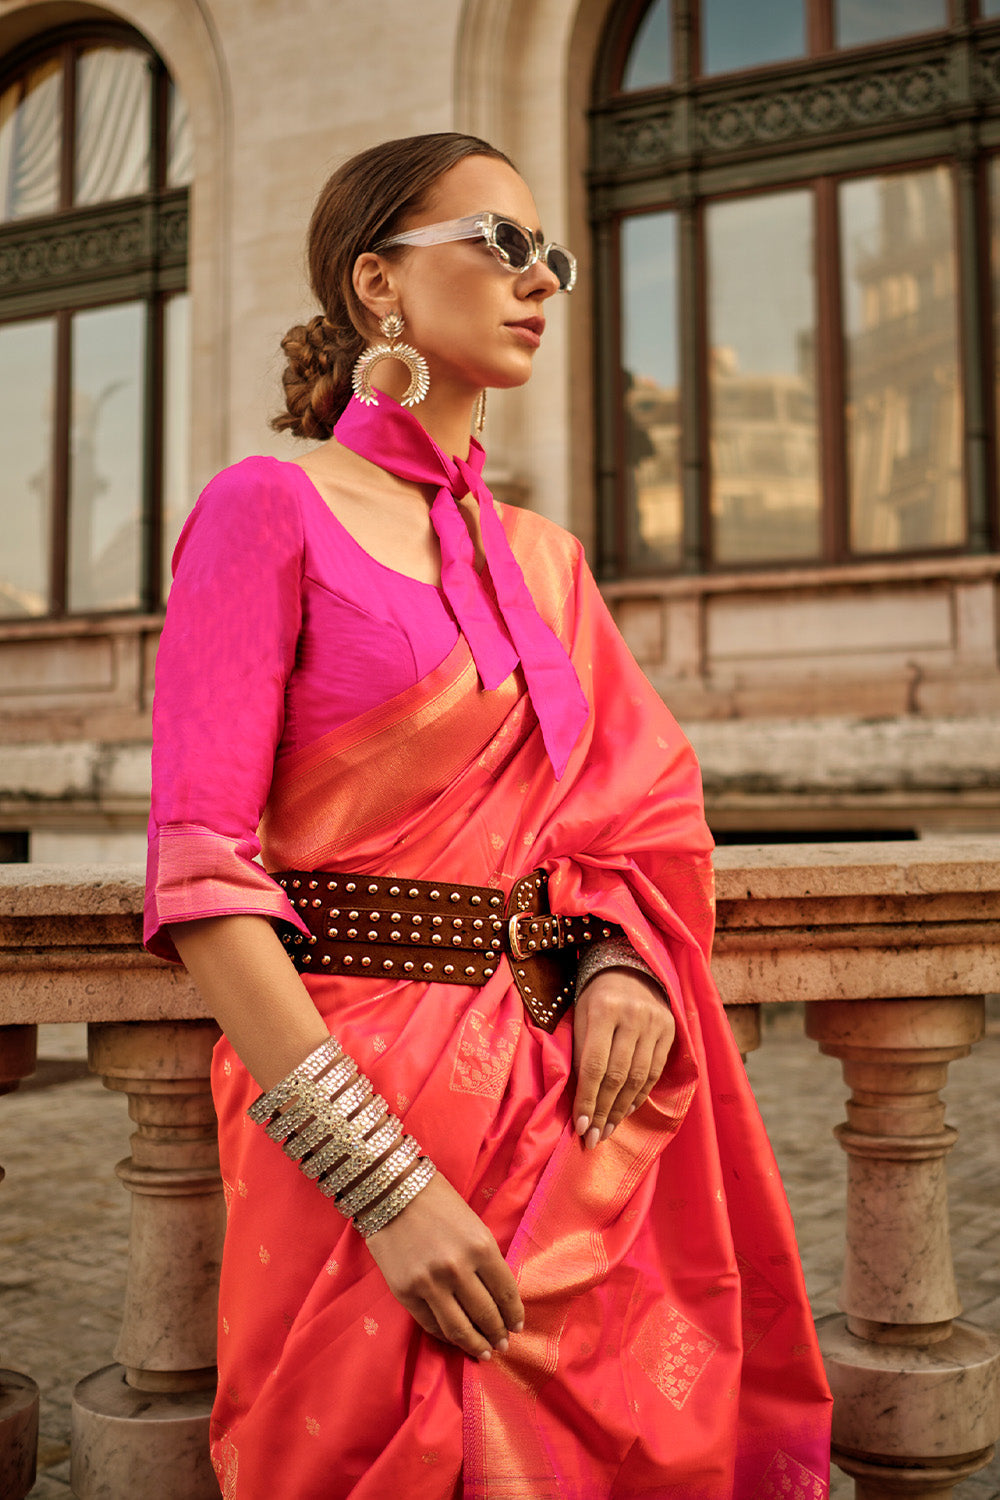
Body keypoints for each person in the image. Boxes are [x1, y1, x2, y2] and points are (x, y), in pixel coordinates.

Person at [145, 132, 832, 1500]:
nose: (540, 282)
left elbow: (634, 815)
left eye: (552, 257)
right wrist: (381, 1187)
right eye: (501, 244)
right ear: (378, 284)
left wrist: (622, 952)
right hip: (351, 1092)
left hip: (565, 1106)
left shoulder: (548, 561)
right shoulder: (262, 511)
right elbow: (200, 879)